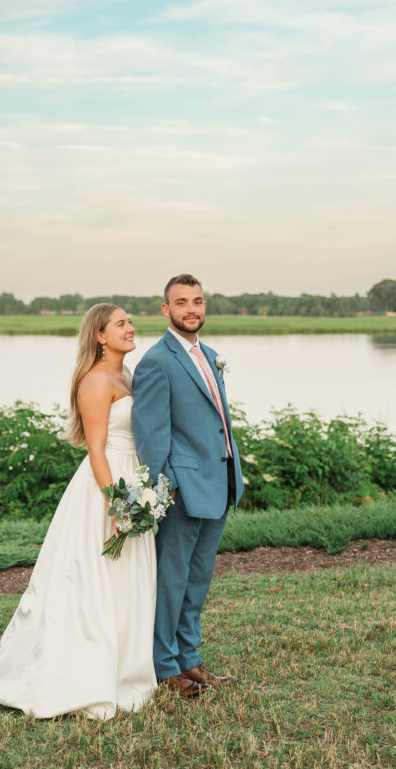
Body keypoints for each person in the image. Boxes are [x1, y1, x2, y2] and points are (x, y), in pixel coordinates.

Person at [0, 304, 157, 720]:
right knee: (92, 582)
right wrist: (117, 502)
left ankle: (126, 667)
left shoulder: (127, 375)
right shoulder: (94, 381)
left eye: (130, 322)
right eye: (121, 324)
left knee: (127, 581)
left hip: (134, 478)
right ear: (99, 335)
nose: (131, 329)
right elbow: (95, 448)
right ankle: (80, 674)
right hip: (107, 485)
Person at [131, 274, 244, 699]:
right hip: (180, 491)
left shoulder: (210, 354)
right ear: (166, 310)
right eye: (181, 303)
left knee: (198, 580)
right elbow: (150, 434)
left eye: (197, 301)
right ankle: (165, 667)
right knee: (172, 582)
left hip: (220, 483)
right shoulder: (157, 361)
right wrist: (167, 485)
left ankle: (190, 660)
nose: (191, 309)